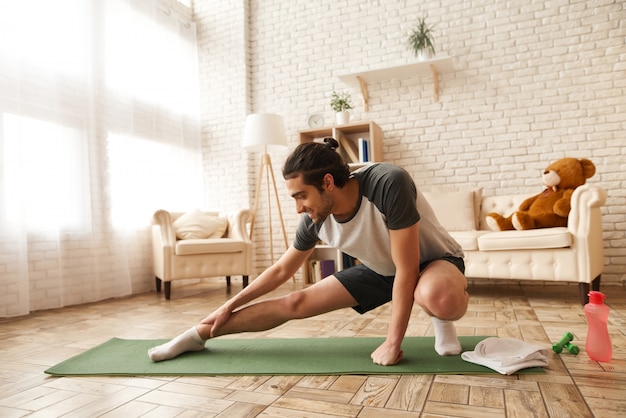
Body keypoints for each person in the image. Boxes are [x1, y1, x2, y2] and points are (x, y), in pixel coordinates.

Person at [148, 137, 469, 366]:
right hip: (381, 270)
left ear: (328, 182)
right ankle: (193, 337)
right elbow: (280, 272)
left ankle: (441, 320)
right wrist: (228, 305)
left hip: (433, 263)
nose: (299, 207)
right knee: (295, 301)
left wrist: (391, 343)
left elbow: (408, 268)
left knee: (437, 296)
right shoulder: (315, 216)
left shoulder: (387, 182)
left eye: (301, 196)